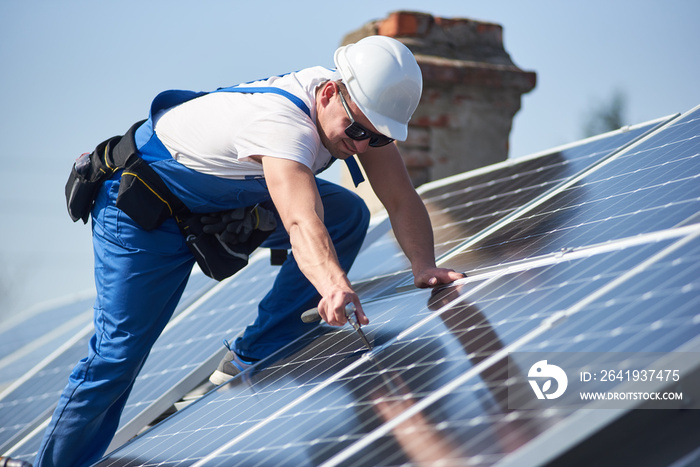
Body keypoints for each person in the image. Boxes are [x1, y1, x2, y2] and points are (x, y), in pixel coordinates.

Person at [36, 35, 463, 467]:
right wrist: (333, 286)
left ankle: (254, 353)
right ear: (331, 92)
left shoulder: (354, 114)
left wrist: (424, 265)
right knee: (117, 356)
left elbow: (401, 197)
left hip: (221, 201)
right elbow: (300, 220)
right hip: (141, 209)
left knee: (347, 213)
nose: (361, 147)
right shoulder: (283, 124)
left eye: (379, 139)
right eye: (355, 132)